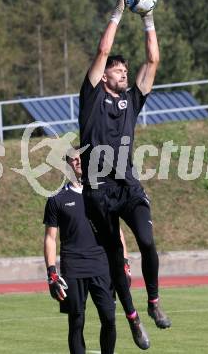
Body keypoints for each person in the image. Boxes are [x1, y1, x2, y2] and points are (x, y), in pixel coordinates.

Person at [79, 0, 171, 350]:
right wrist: (117, 12)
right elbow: (102, 50)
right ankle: (132, 319)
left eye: (123, 70)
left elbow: (153, 61)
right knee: (116, 259)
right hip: (98, 190)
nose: (122, 72)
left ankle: (153, 301)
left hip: (127, 185)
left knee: (148, 243)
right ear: (104, 77)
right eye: (117, 70)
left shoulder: (133, 100)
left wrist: (148, 17)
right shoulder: (90, 97)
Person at [43, 148, 131, 354]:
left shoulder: (103, 193)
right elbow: (50, 238)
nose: (78, 162)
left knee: (109, 318)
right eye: (73, 160)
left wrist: (125, 263)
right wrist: (51, 272)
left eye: (81, 159)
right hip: (73, 268)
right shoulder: (57, 199)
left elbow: (117, 232)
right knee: (76, 320)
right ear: (67, 166)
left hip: (102, 266)